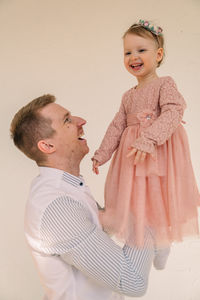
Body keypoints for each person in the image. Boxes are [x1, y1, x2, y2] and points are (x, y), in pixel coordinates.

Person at [10, 94, 162, 300]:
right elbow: (131, 281)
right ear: (47, 146)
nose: (81, 121)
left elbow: (111, 223)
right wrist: (150, 214)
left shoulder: (69, 188)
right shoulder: (57, 206)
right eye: (67, 120)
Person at [92, 19, 200, 249]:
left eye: (141, 50)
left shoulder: (165, 84)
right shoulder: (127, 96)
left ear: (158, 54)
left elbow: (174, 111)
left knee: (157, 196)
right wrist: (101, 154)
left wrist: (149, 139)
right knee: (135, 198)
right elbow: (116, 126)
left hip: (157, 154)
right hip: (132, 156)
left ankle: (161, 243)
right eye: (127, 52)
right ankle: (140, 239)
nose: (133, 57)